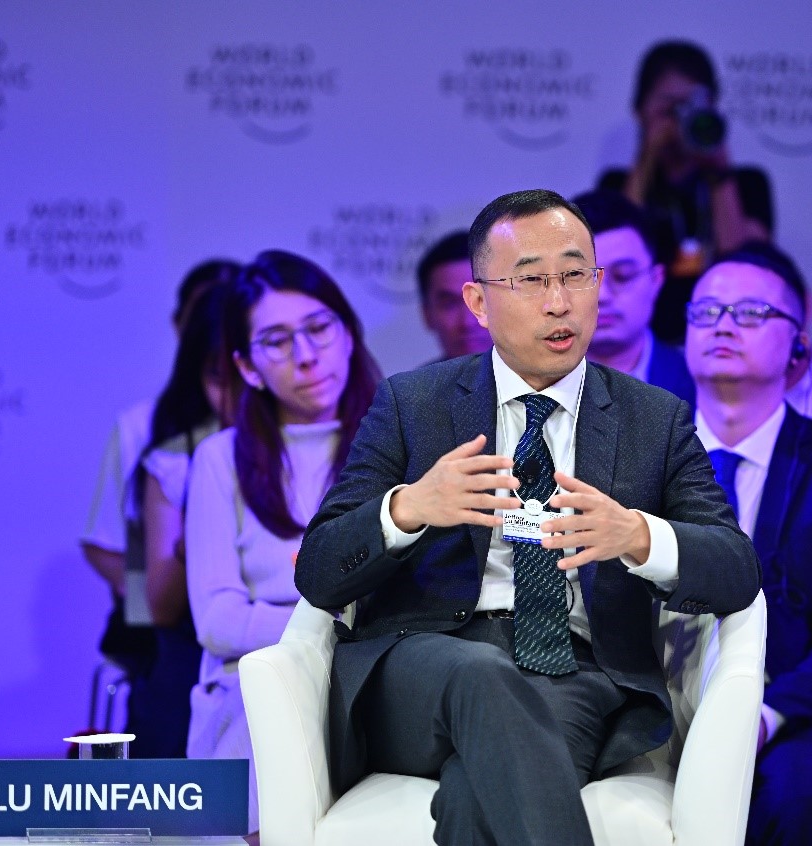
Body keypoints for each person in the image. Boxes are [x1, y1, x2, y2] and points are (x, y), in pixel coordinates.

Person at [294, 189, 760, 845]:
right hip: (419, 671)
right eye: (532, 281)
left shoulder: (654, 420)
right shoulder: (413, 404)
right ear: (478, 302)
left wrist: (636, 535)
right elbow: (319, 570)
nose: (559, 302)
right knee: (482, 677)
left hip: (570, 673)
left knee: (474, 799)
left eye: (576, 275)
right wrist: (409, 508)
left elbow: (736, 571)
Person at [684, 243, 812, 845]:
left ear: (799, 346)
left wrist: (766, 716)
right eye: (707, 312)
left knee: (800, 805)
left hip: (791, 711)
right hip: (659, 698)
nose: (724, 325)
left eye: (751, 313)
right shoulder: (644, 450)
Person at [184, 250, 380, 829]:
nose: (306, 355)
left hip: (366, 673)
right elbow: (218, 621)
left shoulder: (397, 440)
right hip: (256, 678)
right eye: (276, 341)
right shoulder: (219, 459)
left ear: (348, 332)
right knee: (263, 699)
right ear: (247, 367)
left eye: (319, 328)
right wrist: (337, 623)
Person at [79, 258, 240, 737]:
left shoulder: (314, 439)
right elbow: (104, 543)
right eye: (219, 375)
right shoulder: (157, 443)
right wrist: (150, 590)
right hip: (177, 631)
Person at [599, 40, 774, 344]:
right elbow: (616, 249)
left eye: (690, 107)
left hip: (722, 338)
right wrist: (648, 155)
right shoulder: (616, 186)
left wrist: (718, 167)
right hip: (641, 343)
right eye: (670, 108)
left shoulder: (747, 184)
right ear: (640, 110)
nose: (680, 119)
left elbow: (745, 261)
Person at [125, 282, 232, 758]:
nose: (235, 395)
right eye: (218, 376)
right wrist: (200, 532)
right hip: (192, 652)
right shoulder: (174, 461)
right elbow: (161, 608)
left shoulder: (322, 446)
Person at [572, 189, 695, 404]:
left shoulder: (698, 384)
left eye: (622, 276)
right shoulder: (527, 385)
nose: (602, 295)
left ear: (656, 280)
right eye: (580, 277)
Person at [417, 230, 492, 362]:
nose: (468, 323)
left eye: (480, 299)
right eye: (449, 304)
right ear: (427, 315)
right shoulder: (414, 378)